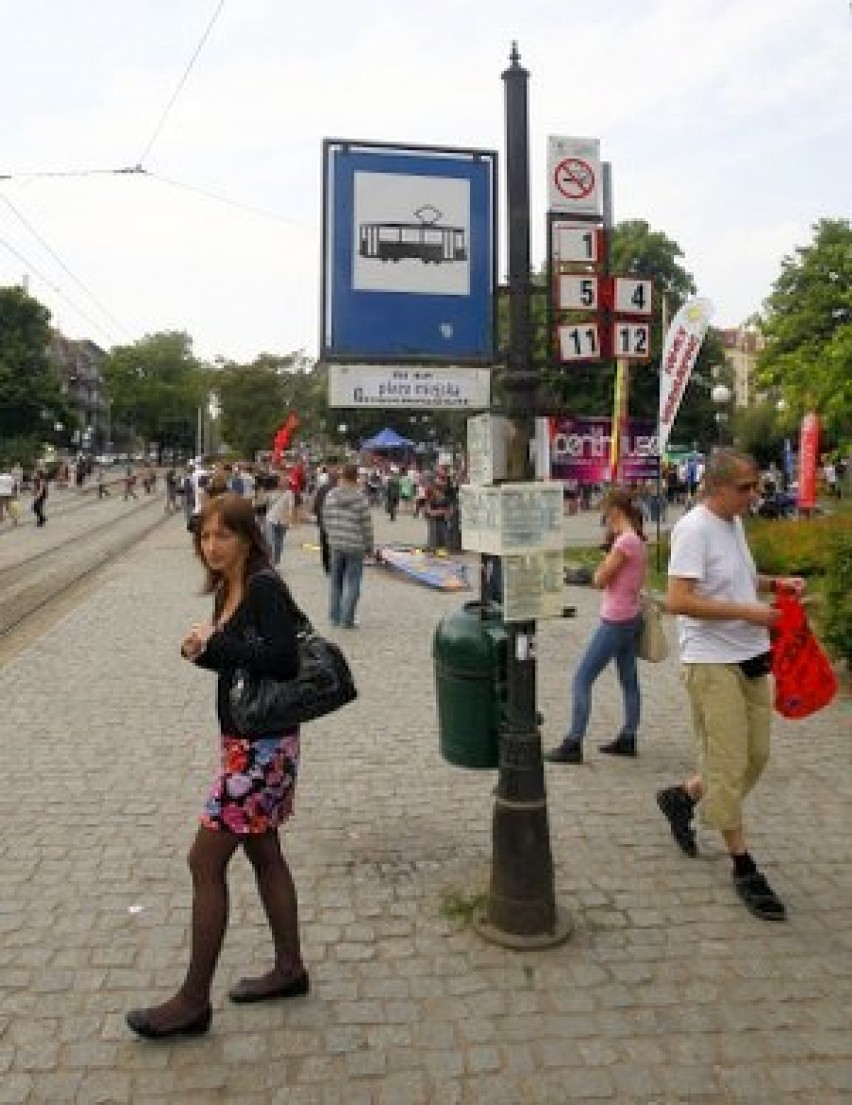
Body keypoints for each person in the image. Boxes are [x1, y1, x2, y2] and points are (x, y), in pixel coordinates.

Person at [126, 493, 305, 1040]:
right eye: (204, 537)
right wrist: (204, 651)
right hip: (245, 744)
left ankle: (192, 1001)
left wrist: (219, 643)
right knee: (264, 852)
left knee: (203, 863)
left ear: (249, 538)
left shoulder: (265, 587)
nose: (211, 546)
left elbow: (283, 659)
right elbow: (239, 665)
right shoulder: (229, 587)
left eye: (222, 535)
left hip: (262, 750)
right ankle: (290, 969)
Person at [657, 449, 805, 923]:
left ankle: (685, 796)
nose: (754, 494)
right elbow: (677, 600)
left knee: (756, 755)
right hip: (711, 661)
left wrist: (773, 582)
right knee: (727, 761)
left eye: (756, 485)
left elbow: (735, 580)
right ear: (716, 487)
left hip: (749, 654)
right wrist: (747, 613)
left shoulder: (733, 523)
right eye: (745, 487)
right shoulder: (693, 528)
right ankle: (744, 867)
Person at [545, 488, 648, 765]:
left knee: (582, 678)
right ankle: (628, 736)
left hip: (615, 619)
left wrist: (600, 567)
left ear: (615, 511)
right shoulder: (636, 539)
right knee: (629, 681)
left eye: (606, 514)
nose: (605, 520)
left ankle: (573, 742)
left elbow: (600, 580)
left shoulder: (624, 543)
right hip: (631, 616)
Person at [322, 463, 373, 628]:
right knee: (352, 583)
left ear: (342, 476)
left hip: (336, 543)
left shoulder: (330, 495)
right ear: (356, 477)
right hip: (355, 545)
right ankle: (347, 620)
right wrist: (369, 547)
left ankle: (334, 617)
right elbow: (367, 526)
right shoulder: (360, 498)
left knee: (335, 581)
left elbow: (325, 518)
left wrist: (331, 535)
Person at [312, 470, 337, 576]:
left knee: (324, 544)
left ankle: (327, 567)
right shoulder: (337, 490)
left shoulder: (322, 489)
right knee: (334, 544)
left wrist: (318, 517)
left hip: (323, 520)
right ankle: (335, 566)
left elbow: (316, 504)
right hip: (334, 521)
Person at [267, 479, 295, 567]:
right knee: (271, 541)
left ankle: (276, 560)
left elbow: (291, 507)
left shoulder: (289, 494)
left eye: (286, 483)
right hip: (271, 519)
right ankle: (271, 561)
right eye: (282, 482)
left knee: (279, 542)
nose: (283, 484)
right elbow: (267, 504)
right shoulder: (272, 493)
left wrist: (290, 520)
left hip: (283, 520)